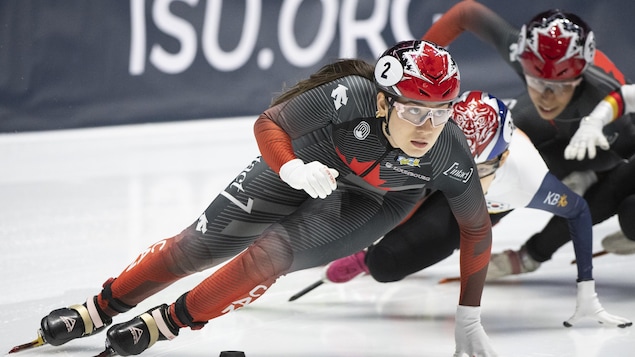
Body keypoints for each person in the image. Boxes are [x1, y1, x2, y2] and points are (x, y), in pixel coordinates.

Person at [12, 40, 498, 357]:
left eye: (441, 112)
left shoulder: (448, 152)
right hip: (308, 159)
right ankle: (98, 308)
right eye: (414, 112)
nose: (428, 128)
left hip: (374, 202)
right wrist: (291, 166)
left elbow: (476, 227)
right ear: (381, 101)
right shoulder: (349, 95)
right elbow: (270, 124)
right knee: (195, 248)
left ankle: (165, 324)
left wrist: (468, 315)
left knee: (271, 255)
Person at [292, 90, 632, 329]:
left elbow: (579, 212)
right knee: (383, 237)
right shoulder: (429, 139)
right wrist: (362, 242)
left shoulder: (530, 179)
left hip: (502, 193)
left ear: (504, 156)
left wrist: (575, 282)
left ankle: (587, 173)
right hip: (445, 175)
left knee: (387, 263)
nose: (470, 179)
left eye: (480, 170)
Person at [420, 0, 635, 277]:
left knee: (622, 207)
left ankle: (590, 181)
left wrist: (532, 253)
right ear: (524, 60)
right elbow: (466, 13)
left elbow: (604, 196)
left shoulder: (608, 107)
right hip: (566, 125)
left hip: (604, 145)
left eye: (559, 84)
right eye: (535, 77)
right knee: (483, 145)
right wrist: (417, 62)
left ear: (578, 77)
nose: (546, 95)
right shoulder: (525, 55)